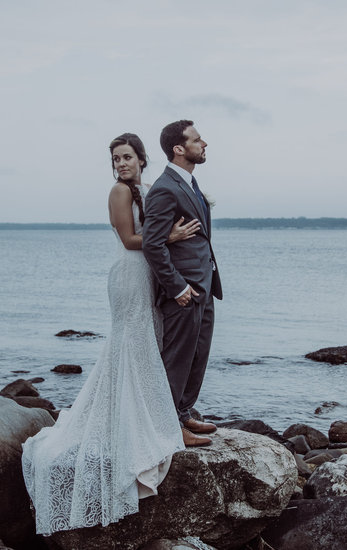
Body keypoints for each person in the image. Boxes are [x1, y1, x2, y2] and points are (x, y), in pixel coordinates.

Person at [22, 133, 200, 535]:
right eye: (115, 158)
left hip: (151, 275)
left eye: (126, 157)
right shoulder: (119, 192)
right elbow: (129, 239)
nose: (120, 164)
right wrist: (168, 238)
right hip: (130, 275)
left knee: (150, 345)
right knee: (133, 342)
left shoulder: (151, 189)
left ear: (142, 159)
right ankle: (152, 423)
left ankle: (160, 414)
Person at [142, 120, 223, 448]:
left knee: (198, 354)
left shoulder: (190, 184)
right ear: (179, 148)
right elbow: (152, 244)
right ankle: (169, 426)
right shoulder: (164, 188)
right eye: (197, 139)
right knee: (177, 358)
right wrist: (176, 287)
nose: (204, 144)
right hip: (183, 291)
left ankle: (184, 411)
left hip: (204, 285)